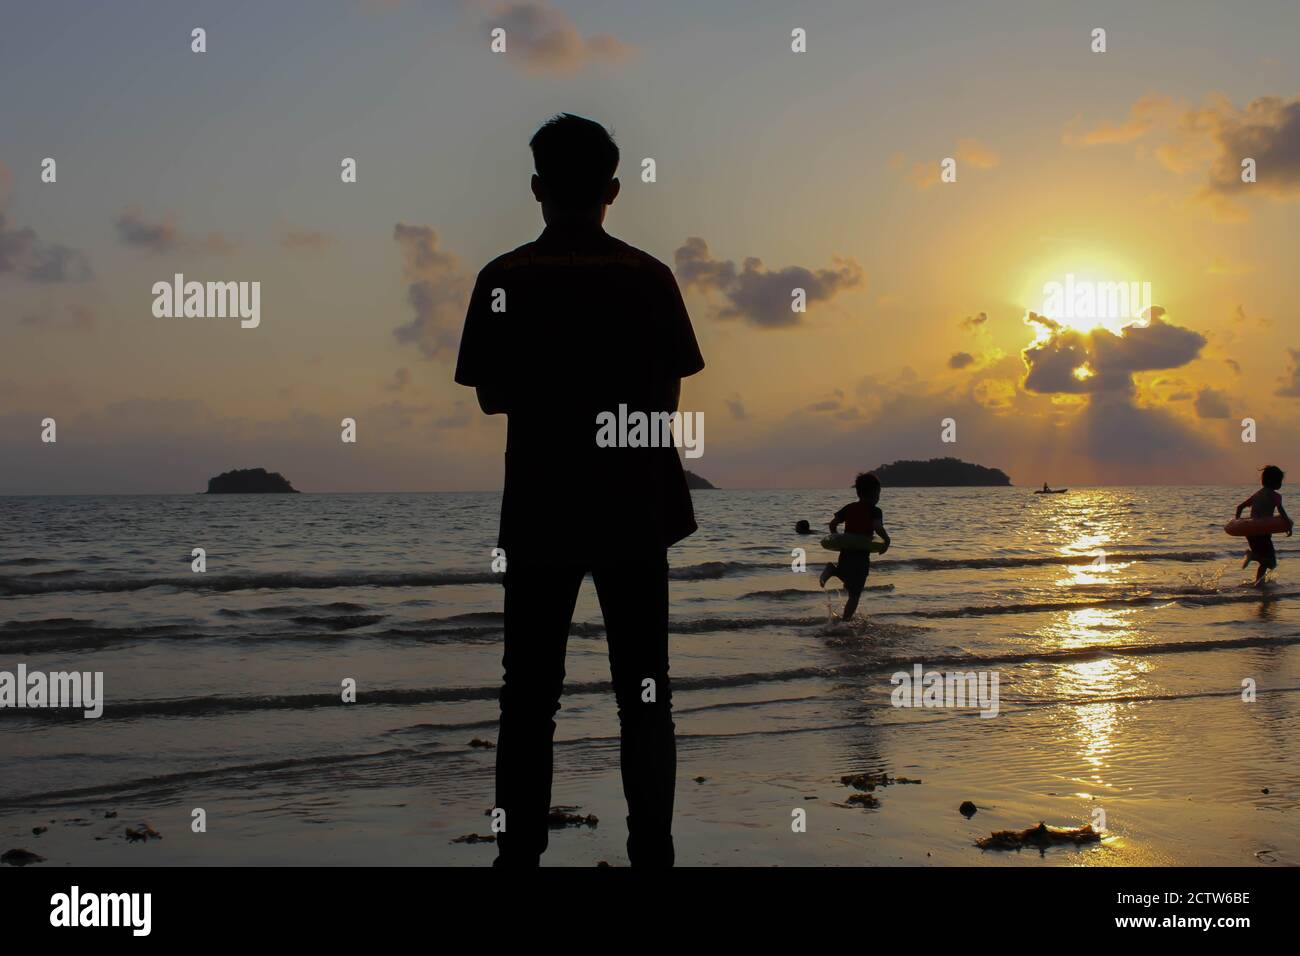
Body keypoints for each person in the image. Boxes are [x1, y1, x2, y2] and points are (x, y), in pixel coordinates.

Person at [454, 114, 704, 867]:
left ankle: (517, 856)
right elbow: (665, 401)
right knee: (645, 692)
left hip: (540, 505)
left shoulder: (503, 278)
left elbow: (491, 395)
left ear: (537, 188)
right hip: (633, 503)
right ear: (613, 190)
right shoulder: (649, 277)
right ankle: (651, 852)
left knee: (527, 697)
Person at [818, 473, 890, 619]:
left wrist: (837, 538)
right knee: (855, 593)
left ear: (858, 492)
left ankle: (833, 570)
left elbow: (833, 524)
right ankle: (846, 621)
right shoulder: (875, 510)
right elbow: (877, 526)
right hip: (861, 555)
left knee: (847, 576)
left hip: (846, 551)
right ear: (875, 493)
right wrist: (886, 540)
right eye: (878, 494)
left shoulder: (849, 507)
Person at [1236, 465, 1292, 587]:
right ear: (1275, 482)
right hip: (1262, 534)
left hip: (1250, 532)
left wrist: (1238, 523)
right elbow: (1281, 511)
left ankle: (1258, 583)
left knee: (1264, 562)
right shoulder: (1275, 496)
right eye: (1280, 481)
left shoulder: (1256, 495)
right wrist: (1288, 526)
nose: (1281, 484)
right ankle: (1253, 556)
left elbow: (1240, 507)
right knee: (1271, 563)